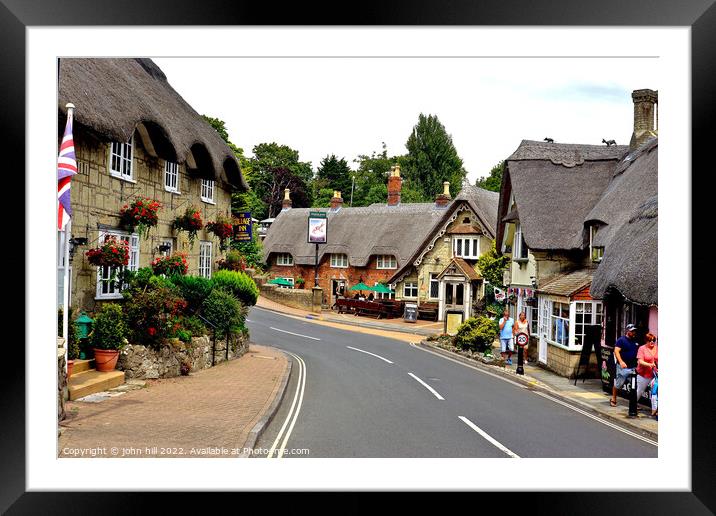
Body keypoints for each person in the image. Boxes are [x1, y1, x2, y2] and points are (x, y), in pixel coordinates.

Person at [610, 323, 640, 407]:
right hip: (623, 367)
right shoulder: (621, 340)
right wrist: (621, 362)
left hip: (633, 367)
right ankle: (613, 398)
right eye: (632, 331)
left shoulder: (636, 340)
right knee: (618, 385)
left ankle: (634, 403)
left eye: (634, 331)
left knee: (635, 386)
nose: (634, 332)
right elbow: (616, 351)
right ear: (627, 331)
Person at [636, 333, 658, 413]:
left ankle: (654, 410)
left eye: (653, 340)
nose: (652, 342)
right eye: (650, 340)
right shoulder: (642, 348)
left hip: (654, 374)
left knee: (655, 391)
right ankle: (633, 404)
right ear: (646, 341)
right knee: (639, 391)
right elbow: (640, 361)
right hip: (644, 374)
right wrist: (649, 364)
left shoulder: (657, 348)